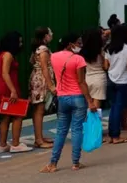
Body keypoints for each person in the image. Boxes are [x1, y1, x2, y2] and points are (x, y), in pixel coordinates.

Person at [41, 32, 98, 172]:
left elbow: (45, 70)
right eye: (78, 42)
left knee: (61, 131)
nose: (80, 45)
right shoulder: (78, 59)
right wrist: (90, 101)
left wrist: (51, 86)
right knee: (77, 130)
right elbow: (81, 82)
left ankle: (53, 164)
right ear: (70, 44)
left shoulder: (53, 56)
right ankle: (75, 163)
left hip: (62, 98)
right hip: (78, 97)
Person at [0, 31, 33, 154]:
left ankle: (3, 144)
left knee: (5, 116)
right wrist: (13, 90)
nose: (21, 43)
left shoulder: (1, 54)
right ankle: (16, 144)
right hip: (9, 87)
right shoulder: (8, 55)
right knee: (18, 115)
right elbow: (5, 73)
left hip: (3, 87)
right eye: (19, 41)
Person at [104, 24, 127, 145]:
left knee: (113, 107)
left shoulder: (108, 48)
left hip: (111, 80)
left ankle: (112, 134)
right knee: (119, 108)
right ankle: (116, 136)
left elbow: (106, 66)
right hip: (123, 81)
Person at [28, 27, 56, 148]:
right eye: (50, 33)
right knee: (39, 110)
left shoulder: (37, 49)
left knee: (38, 110)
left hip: (37, 79)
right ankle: (39, 140)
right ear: (45, 36)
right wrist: (51, 85)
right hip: (42, 81)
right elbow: (44, 68)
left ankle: (39, 137)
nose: (52, 34)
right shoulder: (43, 50)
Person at [80, 27, 107, 110]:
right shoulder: (101, 51)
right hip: (99, 78)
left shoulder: (82, 52)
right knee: (96, 104)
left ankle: (89, 121)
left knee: (89, 103)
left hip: (87, 78)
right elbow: (105, 67)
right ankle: (93, 122)